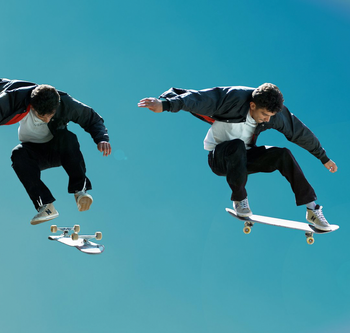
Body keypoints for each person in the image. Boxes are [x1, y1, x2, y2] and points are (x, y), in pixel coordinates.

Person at [134, 83, 337, 229]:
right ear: (252, 105)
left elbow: (300, 132)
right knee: (237, 146)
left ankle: (312, 208)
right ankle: (240, 200)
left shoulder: (275, 115)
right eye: (264, 115)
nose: (267, 120)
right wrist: (165, 105)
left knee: (283, 154)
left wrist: (323, 157)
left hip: (245, 158)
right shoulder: (231, 98)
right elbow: (197, 100)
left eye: (271, 117)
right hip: (219, 158)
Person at [0, 79, 113, 224]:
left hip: (57, 149)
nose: (46, 120)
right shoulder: (17, 97)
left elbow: (91, 117)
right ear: (32, 105)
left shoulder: (65, 102)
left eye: (50, 115)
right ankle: (45, 206)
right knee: (18, 154)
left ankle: (80, 191)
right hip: (33, 153)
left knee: (68, 137)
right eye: (41, 116)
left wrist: (102, 139)